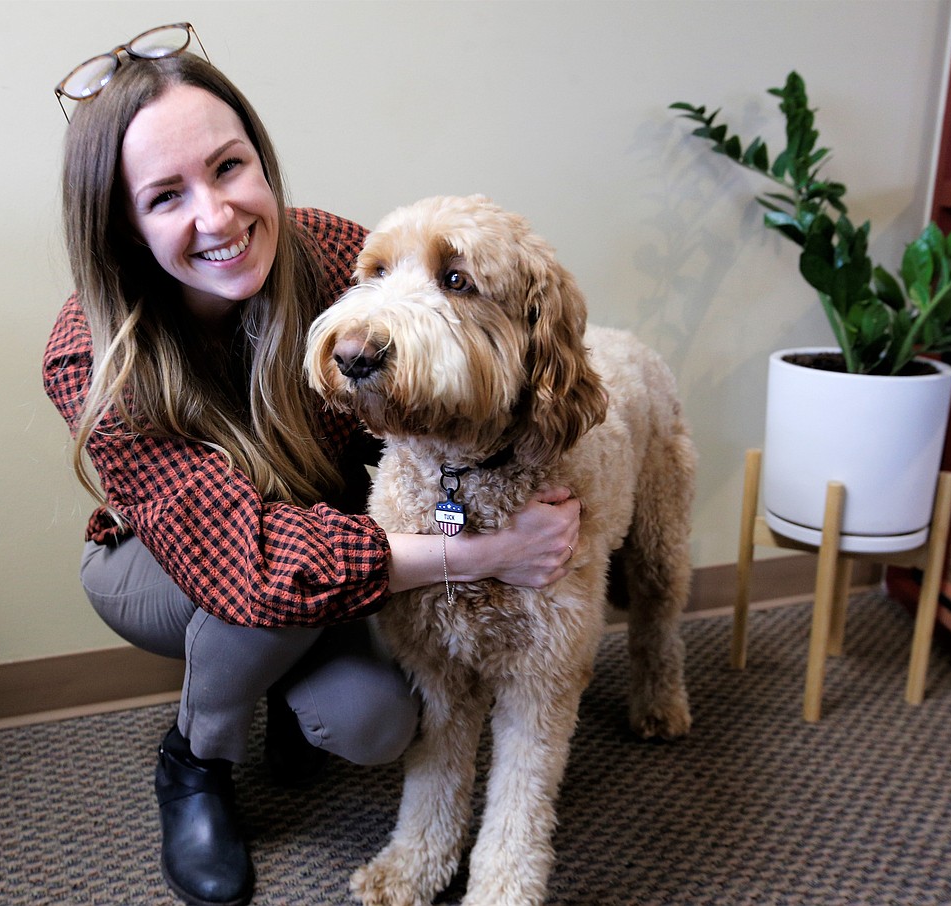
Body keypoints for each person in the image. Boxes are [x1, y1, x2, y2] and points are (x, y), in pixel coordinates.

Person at [43, 23, 581, 906]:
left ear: (261, 160)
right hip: (167, 569)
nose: (217, 217)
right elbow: (252, 562)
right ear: (126, 228)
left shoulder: (338, 254)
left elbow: (444, 378)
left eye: (228, 167)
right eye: (165, 195)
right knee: (266, 601)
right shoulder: (91, 354)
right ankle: (196, 766)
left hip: (337, 547)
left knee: (372, 724)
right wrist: (484, 553)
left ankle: (288, 681)